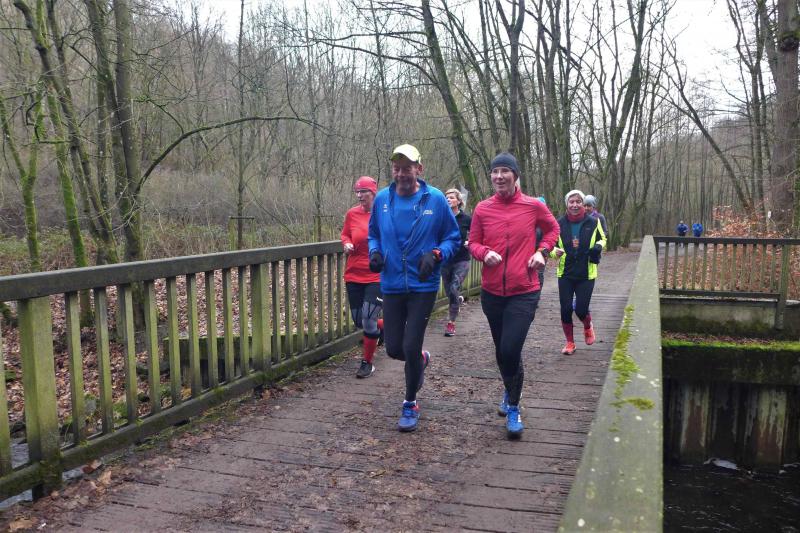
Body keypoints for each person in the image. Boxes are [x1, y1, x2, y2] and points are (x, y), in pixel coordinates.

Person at [368, 144, 461, 432]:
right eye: (397, 168)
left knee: (410, 344)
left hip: (423, 284)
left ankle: (410, 403)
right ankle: (420, 360)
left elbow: (453, 237)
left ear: (419, 169)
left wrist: (436, 254)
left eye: (407, 168)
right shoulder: (382, 199)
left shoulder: (435, 199)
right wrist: (375, 252)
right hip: (392, 283)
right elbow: (373, 234)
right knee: (394, 348)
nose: (401, 174)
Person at [468, 153, 559, 439]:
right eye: (495, 172)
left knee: (510, 349)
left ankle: (514, 408)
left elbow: (553, 229)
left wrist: (542, 252)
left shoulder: (532, 206)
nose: (499, 176)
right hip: (492, 292)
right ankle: (510, 389)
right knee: (501, 350)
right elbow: (473, 242)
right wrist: (484, 253)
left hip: (524, 291)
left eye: (505, 171)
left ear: (515, 176)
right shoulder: (483, 209)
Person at [552, 190, 607, 356]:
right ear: (567, 204)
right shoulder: (559, 223)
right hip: (565, 273)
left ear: (583, 204)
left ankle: (587, 325)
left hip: (586, 273)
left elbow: (603, 238)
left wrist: (598, 246)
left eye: (578, 201)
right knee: (565, 309)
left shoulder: (593, 222)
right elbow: (551, 245)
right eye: (571, 202)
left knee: (581, 310)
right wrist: (554, 253)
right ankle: (570, 342)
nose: (575, 205)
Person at [341, 176, 384, 379]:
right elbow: (345, 234)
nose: (360, 195)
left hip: (376, 275)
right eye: (357, 192)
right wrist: (346, 243)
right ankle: (386, 326)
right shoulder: (352, 214)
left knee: (368, 318)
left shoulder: (384, 214)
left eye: (364, 191)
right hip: (353, 273)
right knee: (360, 321)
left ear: (373, 192)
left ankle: (367, 363)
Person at [441, 188, 472, 337]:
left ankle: (451, 324)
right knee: (450, 292)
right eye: (446, 197)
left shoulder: (466, 219)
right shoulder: (442, 218)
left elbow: (477, 234)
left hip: (462, 259)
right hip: (445, 260)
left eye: (452, 197)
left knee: (454, 287)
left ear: (459, 201)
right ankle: (457, 299)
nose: (448, 199)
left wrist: (470, 242)